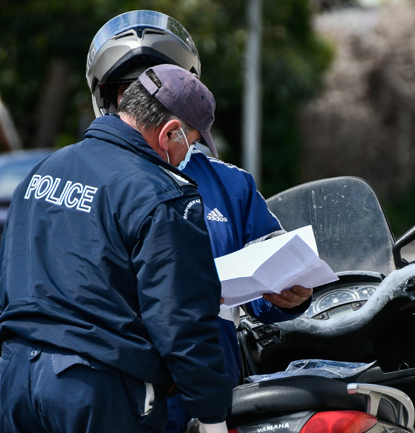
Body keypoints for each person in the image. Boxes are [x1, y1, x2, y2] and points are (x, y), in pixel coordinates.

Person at [85, 11, 313, 432]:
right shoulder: (88, 177)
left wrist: (289, 295)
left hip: (208, 391)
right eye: (132, 90)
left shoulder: (231, 185)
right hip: (121, 392)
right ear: (111, 99)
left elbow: (269, 282)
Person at [0, 64, 234, 433]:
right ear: (170, 132)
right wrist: (212, 412)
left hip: (18, 380)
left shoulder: (43, 172)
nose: (187, 156)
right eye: (192, 142)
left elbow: (6, 280)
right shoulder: (160, 195)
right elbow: (182, 322)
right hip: (98, 387)